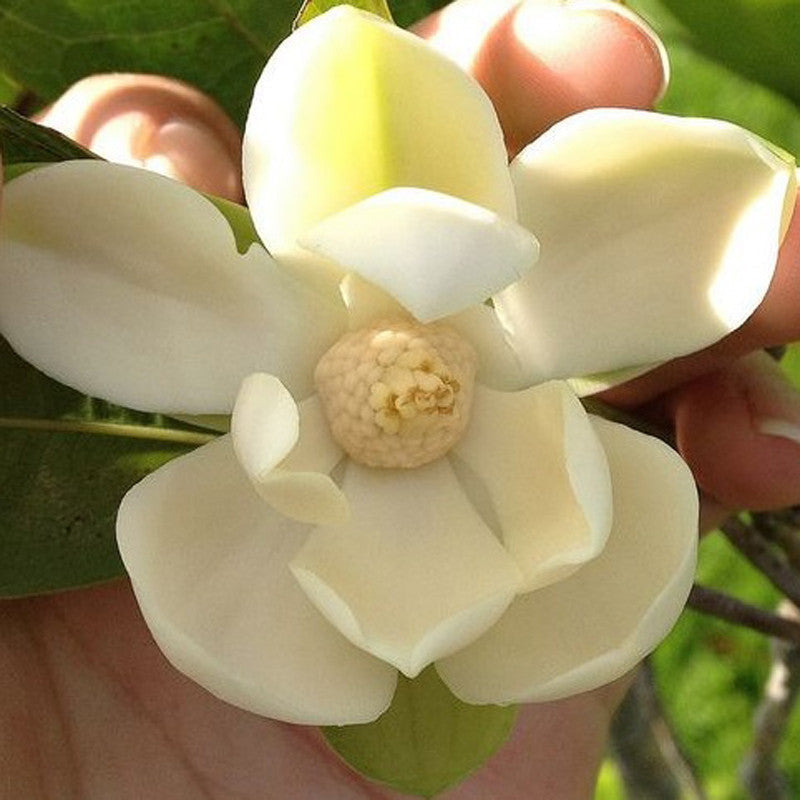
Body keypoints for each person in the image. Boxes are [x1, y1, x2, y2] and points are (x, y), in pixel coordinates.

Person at [2, 1, 800, 797]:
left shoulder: (575, 543)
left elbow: (726, 195)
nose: (406, 392)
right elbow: (42, 242)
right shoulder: (218, 599)